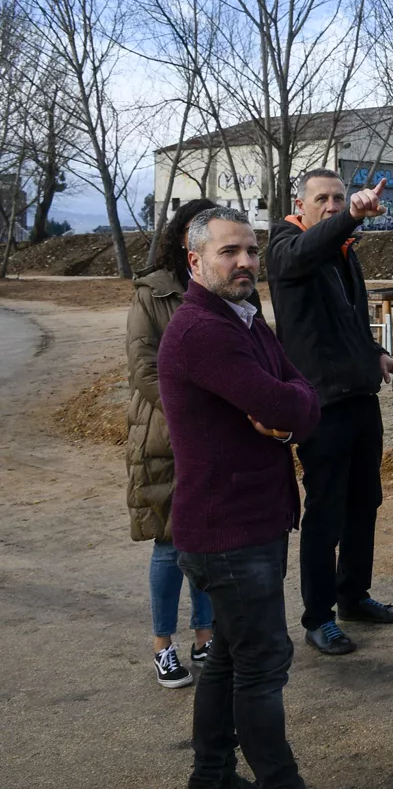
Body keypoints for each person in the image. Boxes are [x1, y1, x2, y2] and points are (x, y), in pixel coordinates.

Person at [159, 207, 322, 789]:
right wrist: (290, 411)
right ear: (195, 259)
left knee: (229, 659)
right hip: (229, 532)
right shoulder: (204, 330)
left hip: (250, 525)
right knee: (261, 666)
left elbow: (300, 390)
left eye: (251, 250)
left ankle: (212, 776)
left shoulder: (243, 319)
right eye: (230, 252)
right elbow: (287, 403)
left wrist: (290, 412)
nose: (247, 262)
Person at [267, 169, 393, 656]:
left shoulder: (344, 253)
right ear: (299, 204)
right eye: (322, 198)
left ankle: (353, 596)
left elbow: (347, 320)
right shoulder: (286, 246)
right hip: (319, 402)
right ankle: (318, 616)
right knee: (326, 512)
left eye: (338, 198)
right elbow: (308, 252)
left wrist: (375, 354)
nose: (331, 205)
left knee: (364, 502)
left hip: (359, 396)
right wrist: (349, 217)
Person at [126, 198, 228, 688]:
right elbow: (144, 368)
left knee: (208, 542)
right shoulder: (152, 292)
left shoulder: (228, 288)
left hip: (216, 436)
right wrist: (191, 409)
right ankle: (162, 645)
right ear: (181, 239)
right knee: (169, 546)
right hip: (167, 436)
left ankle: (206, 636)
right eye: (194, 229)